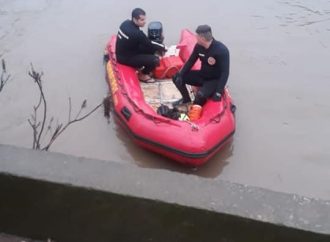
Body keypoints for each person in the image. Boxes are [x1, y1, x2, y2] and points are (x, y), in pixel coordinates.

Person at [172, 25, 230, 120]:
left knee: (200, 95)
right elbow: (191, 61)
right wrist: (180, 75)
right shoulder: (199, 46)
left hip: (213, 80)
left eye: (197, 36)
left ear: (202, 38)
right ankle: (186, 99)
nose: (195, 38)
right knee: (176, 77)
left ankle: (194, 111)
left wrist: (219, 92)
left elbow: (225, 73)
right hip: (202, 75)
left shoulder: (221, 50)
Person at [115, 8, 167, 83]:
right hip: (125, 58)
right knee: (155, 60)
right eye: (142, 20)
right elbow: (150, 44)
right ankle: (143, 75)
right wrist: (163, 47)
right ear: (134, 19)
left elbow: (147, 43)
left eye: (144, 19)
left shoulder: (125, 23)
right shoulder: (137, 33)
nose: (144, 22)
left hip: (125, 51)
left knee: (150, 49)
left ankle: (140, 65)